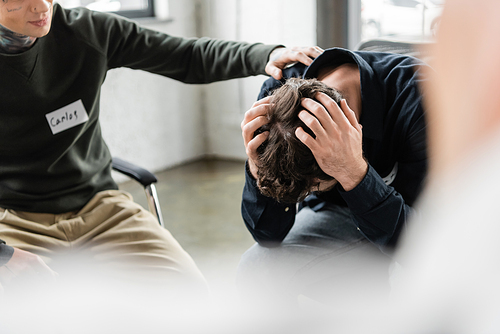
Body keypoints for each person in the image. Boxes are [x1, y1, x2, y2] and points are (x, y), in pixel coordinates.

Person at [0, 0, 323, 294]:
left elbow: (186, 55)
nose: (41, 6)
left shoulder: (87, 30)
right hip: (13, 218)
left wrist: (266, 55)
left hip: (100, 205)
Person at [238, 46, 430, 303]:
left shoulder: (422, 101)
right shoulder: (277, 96)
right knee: (256, 268)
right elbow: (268, 235)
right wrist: (257, 167)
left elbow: (428, 245)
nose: (309, 194)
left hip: (418, 220)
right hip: (339, 215)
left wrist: (353, 172)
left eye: (315, 187)